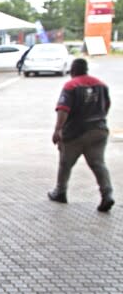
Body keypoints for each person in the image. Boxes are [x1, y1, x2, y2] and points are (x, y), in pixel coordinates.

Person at [48, 58, 114, 212]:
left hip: (75, 132)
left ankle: (60, 191)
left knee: (65, 163)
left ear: (73, 70)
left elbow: (63, 109)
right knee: (98, 164)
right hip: (99, 130)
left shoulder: (71, 85)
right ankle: (107, 194)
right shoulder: (101, 85)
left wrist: (58, 130)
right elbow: (106, 106)